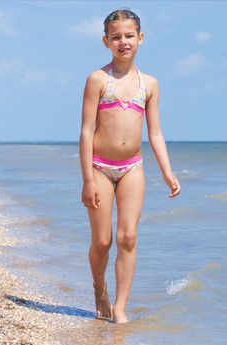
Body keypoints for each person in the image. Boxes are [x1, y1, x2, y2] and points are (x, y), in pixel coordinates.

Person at [79, 8, 181, 324]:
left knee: (128, 237)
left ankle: (120, 308)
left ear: (140, 38)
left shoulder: (149, 84)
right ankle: (99, 289)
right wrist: (87, 180)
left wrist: (167, 172)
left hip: (132, 167)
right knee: (103, 241)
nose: (123, 41)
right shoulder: (98, 79)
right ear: (106, 41)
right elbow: (86, 131)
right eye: (116, 37)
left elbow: (155, 132)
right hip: (99, 166)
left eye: (129, 36)